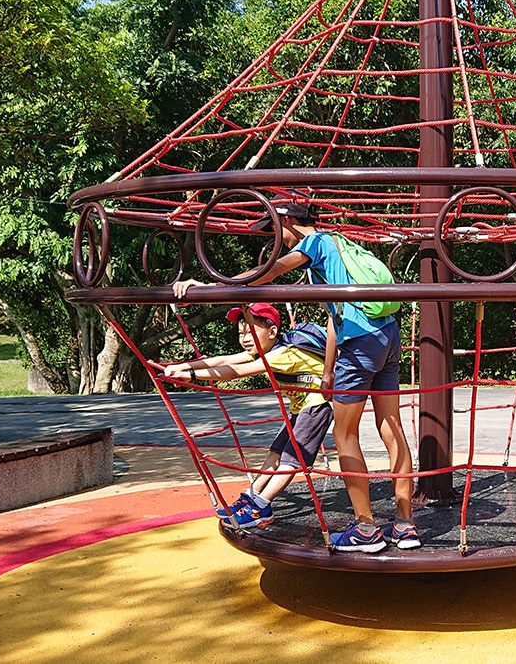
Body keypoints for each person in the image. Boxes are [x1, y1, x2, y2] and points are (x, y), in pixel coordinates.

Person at [174, 197, 418, 553]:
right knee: (391, 428)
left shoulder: (314, 243)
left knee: (344, 433)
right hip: (387, 334)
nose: (276, 237)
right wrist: (330, 369)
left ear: (287, 221)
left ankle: (366, 529)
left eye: (274, 228)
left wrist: (211, 288)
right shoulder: (341, 244)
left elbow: (269, 273)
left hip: (362, 343)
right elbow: (336, 317)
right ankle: (405, 524)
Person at [162, 302, 333, 530]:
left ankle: (261, 506)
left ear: (272, 332)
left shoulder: (283, 354)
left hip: (316, 407)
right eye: (241, 332)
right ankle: (252, 495)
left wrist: (191, 375)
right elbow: (222, 360)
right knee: (276, 453)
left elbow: (237, 371)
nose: (245, 337)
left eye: (251, 331)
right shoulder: (268, 349)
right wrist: (181, 366)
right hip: (299, 408)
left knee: (293, 460)